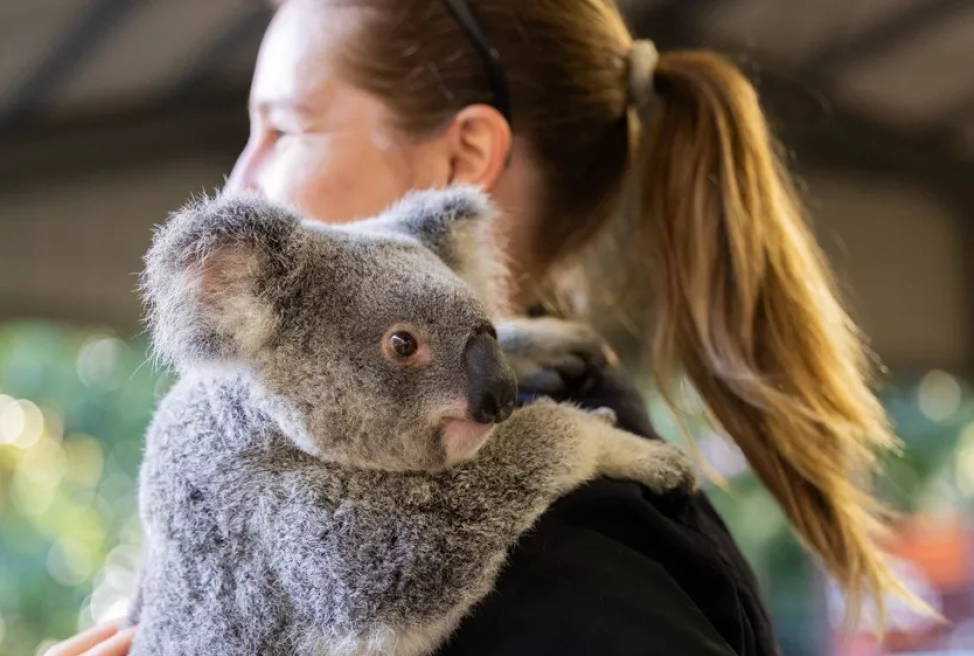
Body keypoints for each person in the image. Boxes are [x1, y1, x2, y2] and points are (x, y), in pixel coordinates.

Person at [48, 0, 923, 654]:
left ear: (463, 161)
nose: (242, 180)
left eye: (284, 126)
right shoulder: (345, 460)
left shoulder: (570, 553)